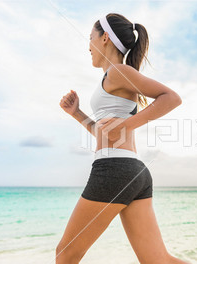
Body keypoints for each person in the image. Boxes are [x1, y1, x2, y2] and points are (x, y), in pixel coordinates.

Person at [57, 13, 187, 264]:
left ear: (104, 37)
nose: (88, 46)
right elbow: (105, 133)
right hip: (132, 171)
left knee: (65, 255)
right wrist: (78, 114)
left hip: (114, 169)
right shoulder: (111, 77)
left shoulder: (117, 71)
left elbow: (171, 97)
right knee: (159, 261)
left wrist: (126, 125)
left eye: (91, 38)